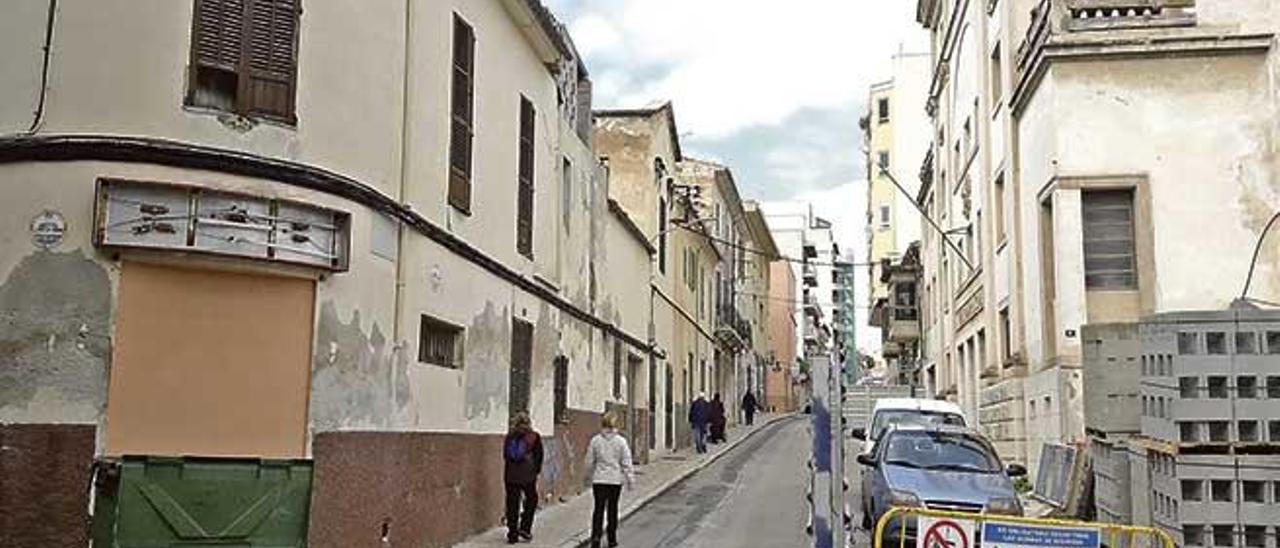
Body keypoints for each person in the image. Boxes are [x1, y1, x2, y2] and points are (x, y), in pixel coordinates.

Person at [585, 414, 634, 548]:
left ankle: (596, 538)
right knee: (613, 509)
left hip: (599, 480)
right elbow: (626, 461)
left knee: (598, 509)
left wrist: (587, 477)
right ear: (615, 425)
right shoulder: (621, 441)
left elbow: (589, 461)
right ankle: (612, 538)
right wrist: (630, 479)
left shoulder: (595, 441)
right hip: (614, 480)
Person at [503, 412, 544, 544]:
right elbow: (539, 456)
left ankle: (512, 534)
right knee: (532, 499)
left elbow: (505, 455)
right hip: (528, 476)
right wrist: (536, 471)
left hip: (511, 476)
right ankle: (525, 527)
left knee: (512, 503)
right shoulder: (534, 436)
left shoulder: (510, 437)